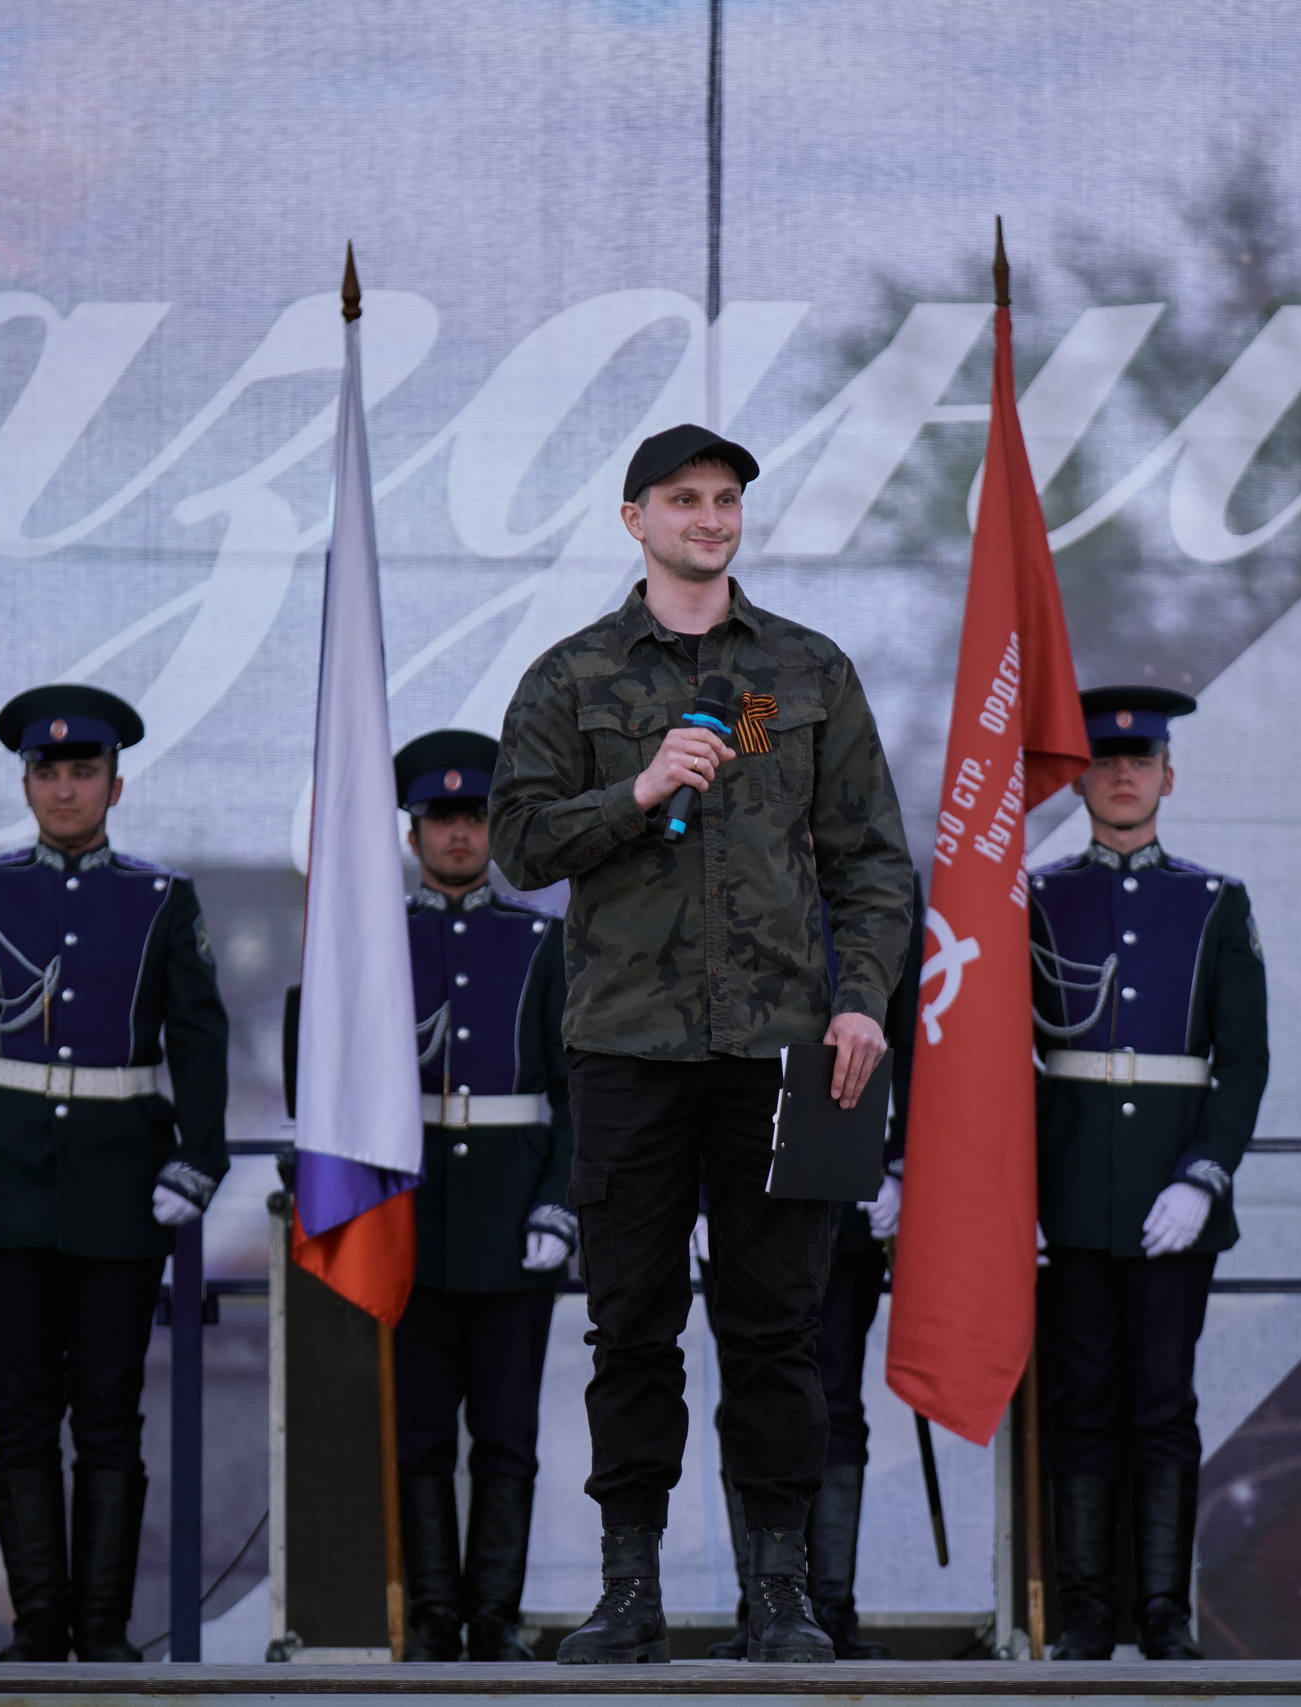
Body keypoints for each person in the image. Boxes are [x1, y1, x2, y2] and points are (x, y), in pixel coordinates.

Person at [488, 422, 914, 1664]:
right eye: (684, 499)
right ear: (635, 520)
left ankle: (779, 1597)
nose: (710, 518)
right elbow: (518, 844)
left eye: (726, 499)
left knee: (780, 1332)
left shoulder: (806, 670)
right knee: (631, 1329)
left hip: (793, 1053)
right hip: (627, 1049)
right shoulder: (571, 677)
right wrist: (636, 789)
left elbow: (873, 862)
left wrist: (862, 1000)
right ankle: (629, 1594)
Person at [0, 685, 228, 1662]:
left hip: (123, 1187)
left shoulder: (161, 899)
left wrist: (199, 1157)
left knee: (111, 1418)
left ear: (114, 785)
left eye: (84, 772)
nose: (64, 788)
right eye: (48, 772)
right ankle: (39, 1629)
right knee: (21, 1415)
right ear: (26, 785)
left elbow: (199, 1038)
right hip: (0, 1185)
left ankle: (107, 1633)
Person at [1026, 686, 1270, 1661]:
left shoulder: (1215, 902)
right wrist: (1015, 1191)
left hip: (1175, 1189)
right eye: (1105, 759)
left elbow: (1243, 1059)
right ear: (1078, 778)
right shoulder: (1036, 897)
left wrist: (1203, 1174)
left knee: (1164, 1403)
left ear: (1169, 777)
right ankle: (1086, 1611)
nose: (1123, 774)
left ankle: (1165, 1611)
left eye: (1141, 760)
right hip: (1067, 1191)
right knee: (1079, 1404)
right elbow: (998, 1057)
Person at [388, 729, 576, 1663]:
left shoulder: (543, 942)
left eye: (475, 816)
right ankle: (430, 1616)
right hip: (408, 1219)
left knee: (506, 1434)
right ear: (413, 832)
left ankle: (495, 1617)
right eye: (442, 818)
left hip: (511, 1220)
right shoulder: (376, 941)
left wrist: (557, 1204)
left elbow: (577, 1093)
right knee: (419, 1433)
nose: (459, 833)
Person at [702, 884, 924, 1662]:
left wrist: (899, 1161)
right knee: (749, 1391)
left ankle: (829, 1606)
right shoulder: (729, 873)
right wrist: (698, 1190)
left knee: (834, 1395)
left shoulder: (875, 895)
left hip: (847, 1167)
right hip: (742, 1176)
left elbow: (916, 1034)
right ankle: (762, 1605)